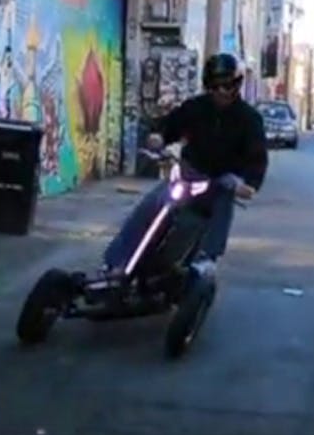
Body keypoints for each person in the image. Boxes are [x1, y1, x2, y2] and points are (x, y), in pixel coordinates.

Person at [102, 53, 269, 276]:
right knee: (151, 204)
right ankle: (115, 263)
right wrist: (159, 136)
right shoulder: (195, 107)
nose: (222, 91)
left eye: (227, 85)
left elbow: (257, 157)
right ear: (208, 85)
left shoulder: (249, 119)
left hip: (221, 182)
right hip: (189, 175)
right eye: (215, 86)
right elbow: (171, 124)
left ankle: (206, 260)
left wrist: (249, 184)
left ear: (237, 84)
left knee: (222, 205)